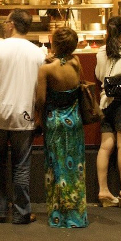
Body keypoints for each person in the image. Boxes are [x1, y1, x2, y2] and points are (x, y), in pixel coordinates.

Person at [0, 8, 45, 225]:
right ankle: (21, 212)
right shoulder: (38, 54)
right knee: (21, 166)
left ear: (12, 24)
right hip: (25, 116)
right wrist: (39, 115)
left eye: (6, 22)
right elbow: (40, 90)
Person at [34, 27, 88, 228]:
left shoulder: (46, 69)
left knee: (56, 167)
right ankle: (77, 215)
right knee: (75, 170)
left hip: (54, 121)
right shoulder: (76, 62)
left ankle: (59, 215)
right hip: (74, 120)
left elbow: (40, 99)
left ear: (54, 43)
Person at [93, 16, 121, 208]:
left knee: (105, 147)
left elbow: (97, 75)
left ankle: (103, 191)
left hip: (105, 102)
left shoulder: (101, 52)